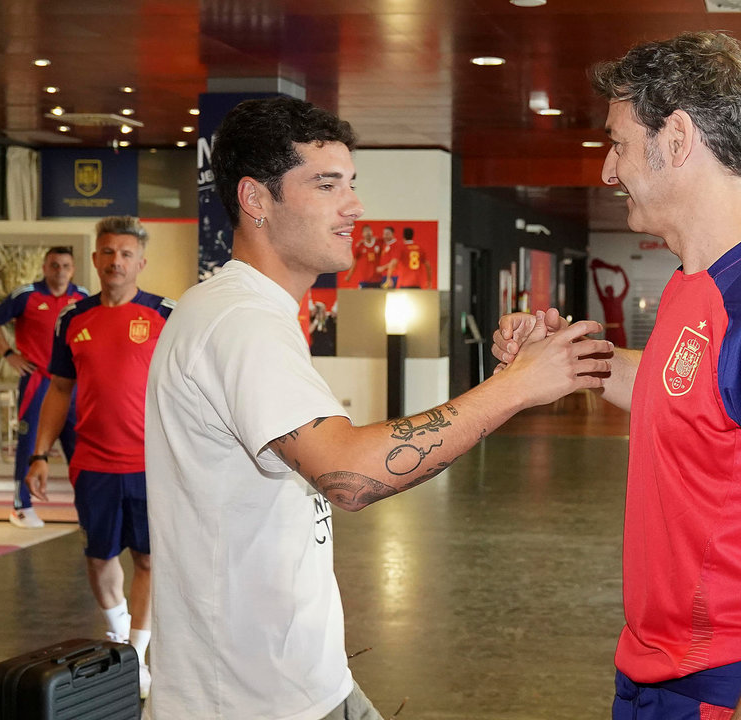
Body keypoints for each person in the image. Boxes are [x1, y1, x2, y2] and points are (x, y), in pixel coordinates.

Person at [144, 95, 610, 720]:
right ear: (256, 200)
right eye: (327, 184)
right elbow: (347, 473)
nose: (354, 206)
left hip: (302, 683)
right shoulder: (238, 322)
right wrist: (517, 387)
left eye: (352, 184)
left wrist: (517, 374)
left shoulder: (251, 314)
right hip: (251, 704)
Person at [493, 31, 741, 719]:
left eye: (617, 142)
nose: (608, 171)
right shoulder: (692, 285)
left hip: (734, 692)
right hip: (654, 676)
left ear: (676, 138)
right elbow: (676, 392)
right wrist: (565, 352)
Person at [25, 216, 173, 699]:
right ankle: (117, 634)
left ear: (141, 262)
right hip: (93, 464)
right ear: (95, 259)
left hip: (153, 465)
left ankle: (138, 654)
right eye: (108, 252)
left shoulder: (164, 315)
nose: (116, 261)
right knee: (99, 557)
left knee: (149, 559)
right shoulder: (74, 319)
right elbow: (59, 389)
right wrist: (40, 453)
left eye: (126, 254)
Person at [0, 247, 87, 528]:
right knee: (30, 445)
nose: (60, 271)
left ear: (73, 269)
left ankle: (89, 507)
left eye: (65, 265)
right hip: (37, 381)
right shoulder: (26, 295)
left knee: (78, 445)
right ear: (45, 267)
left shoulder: (82, 298)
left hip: (72, 383)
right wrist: (9, 354)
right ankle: (21, 506)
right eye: (54, 265)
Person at [590, 258, 630, 347]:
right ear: (607, 292)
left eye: (610, 290)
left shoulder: (617, 300)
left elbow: (627, 286)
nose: (610, 292)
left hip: (619, 328)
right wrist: (594, 272)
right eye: (608, 290)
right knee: (608, 349)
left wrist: (623, 272)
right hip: (610, 328)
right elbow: (597, 286)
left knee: (623, 348)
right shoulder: (605, 300)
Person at [343, 223, 382, 287]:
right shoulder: (359, 246)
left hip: (377, 279)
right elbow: (354, 262)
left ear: (372, 232)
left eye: (369, 230)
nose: (367, 233)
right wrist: (349, 275)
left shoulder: (379, 242)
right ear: (362, 234)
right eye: (365, 231)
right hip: (364, 279)